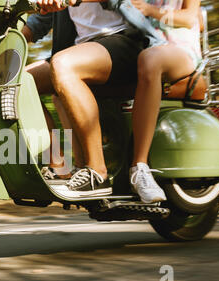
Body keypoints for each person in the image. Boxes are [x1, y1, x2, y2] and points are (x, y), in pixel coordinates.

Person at [28, 0, 148, 196]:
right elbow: (40, 19)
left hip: (125, 41)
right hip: (83, 50)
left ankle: (97, 173)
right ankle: (60, 167)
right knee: (20, 81)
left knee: (63, 64)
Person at [128, 0, 202, 203]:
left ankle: (139, 167)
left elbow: (190, 18)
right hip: (147, 45)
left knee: (150, 60)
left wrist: (151, 10)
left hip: (180, 50)